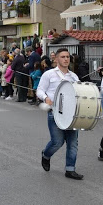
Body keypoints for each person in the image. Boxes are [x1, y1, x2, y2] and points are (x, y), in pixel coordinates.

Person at [36, 48, 84, 180]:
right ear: (56, 59)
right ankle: (46, 155)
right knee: (57, 142)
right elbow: (39, 90)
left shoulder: (74, 76)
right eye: (62, 57)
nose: (66, 59)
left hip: (71, 114)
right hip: (54, 112)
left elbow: (79, 94)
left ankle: (70, 169)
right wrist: (45, 98)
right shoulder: (49, 74)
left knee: (73, 142)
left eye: (67, 57)